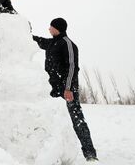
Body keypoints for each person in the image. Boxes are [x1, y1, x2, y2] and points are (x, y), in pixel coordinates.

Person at [32, 18, 98, 162]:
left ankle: (90, 154)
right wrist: (25, 32)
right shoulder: (51, 43)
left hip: (67, 89)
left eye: (51, 26)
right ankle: (53, 153)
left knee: (77, 120)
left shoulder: (68, 44)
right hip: (53, 90)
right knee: (51, 119)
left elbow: (72, 67)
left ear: (57, 28)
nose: (49, 28)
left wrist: (68, 88)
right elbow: (37, 40)